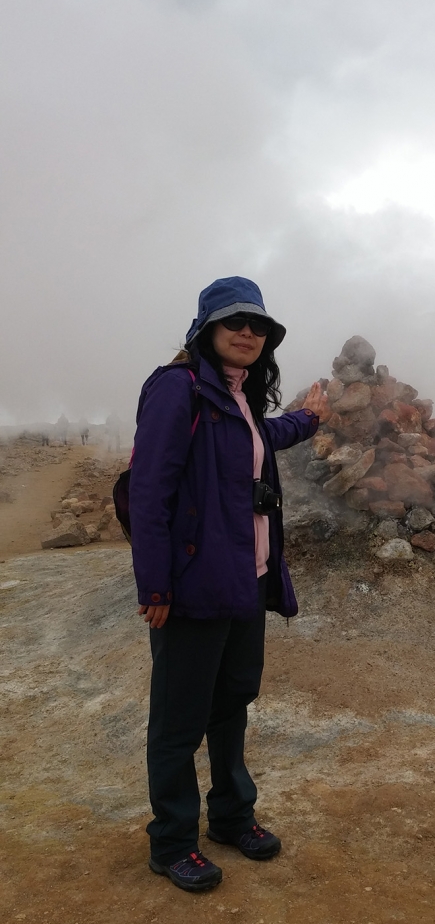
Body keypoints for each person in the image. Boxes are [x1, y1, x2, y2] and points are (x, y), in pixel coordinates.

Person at [129, 276, 329, 892]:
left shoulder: (238, 396)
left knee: (231, 704)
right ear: (207, 328)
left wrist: (308, 419)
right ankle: (172, 842)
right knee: (179, 720)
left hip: (248, 580)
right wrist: (155, 587)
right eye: (234, 322)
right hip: (194, 588)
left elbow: (260, 439)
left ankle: (231, 816)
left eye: (258, 325)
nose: (247, 332)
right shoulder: (178, 388)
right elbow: (149, 492)